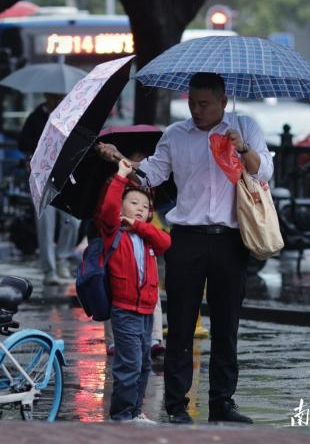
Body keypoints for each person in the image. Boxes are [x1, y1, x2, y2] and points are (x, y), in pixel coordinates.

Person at [97, 72, 274, 425]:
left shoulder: (245, 125)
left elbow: (264, 172)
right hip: (186, 238)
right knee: (179, 325)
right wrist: (121, 161)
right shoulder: (176, 135)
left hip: (230, 238)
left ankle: (222, 401)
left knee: (227, 325)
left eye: (204, 104)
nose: (196, 109)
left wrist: (241, 147)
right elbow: (151, 175)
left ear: (223, 102)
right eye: (192, 102)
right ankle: (177, 405)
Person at [94, 158, 171, 422]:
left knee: (144, 364)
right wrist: (121, 177)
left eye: (145, 206)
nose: (140, 209)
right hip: (125, 310)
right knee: (129, 365)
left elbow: (166, 241)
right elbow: (108, 208)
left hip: (146, 309)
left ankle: (135, 411)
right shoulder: (113, 230)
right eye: (133, 203)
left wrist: (139, 225)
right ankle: (121, 415)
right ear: (121, 207)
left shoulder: (145, 234)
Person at [18, 93, 80, 286]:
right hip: (42, 175)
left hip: (65, 174)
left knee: (73, 219)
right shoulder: (36, 117)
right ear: (46, 96)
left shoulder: (70, 115)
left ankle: (63, 257)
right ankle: (49, 269)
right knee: (45, 223)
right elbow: (23, 143)